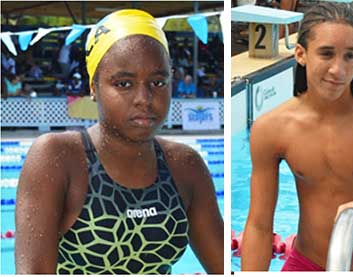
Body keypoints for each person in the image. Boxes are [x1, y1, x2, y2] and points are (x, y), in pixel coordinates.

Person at [14, 9, 224, 274]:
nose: (144, 98)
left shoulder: (185, 166)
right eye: (124, 84)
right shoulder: (59, 158)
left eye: (158, 82)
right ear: (94, 86)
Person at [241, 2, 353, 271]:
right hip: (303, 264)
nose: (338, 69)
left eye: (349, 56)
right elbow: (259, 225)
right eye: (326, 54)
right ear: (300, 54)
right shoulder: (271, 128)